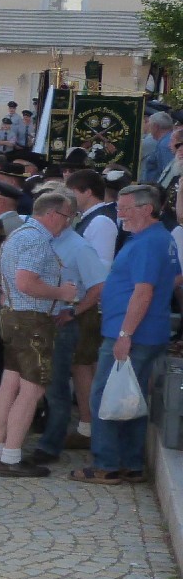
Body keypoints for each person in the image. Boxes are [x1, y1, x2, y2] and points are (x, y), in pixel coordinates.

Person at [72, 184, 179, 484]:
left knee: (104, 395)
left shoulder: (147, 242)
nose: (120, 214)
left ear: (146, 209)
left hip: (134, 334)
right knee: (132, 397)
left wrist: (125, 333)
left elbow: (143, 292)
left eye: (125, 208)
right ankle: (131, 464)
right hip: (148, 331)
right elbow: (172, 277)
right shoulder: (160, 238)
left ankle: (106, 465)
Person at [0, 191, 78, 477]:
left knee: (9, 384)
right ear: (52, 214)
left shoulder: (18, 234)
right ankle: (11, 457)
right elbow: (26, 282)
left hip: (12, 314)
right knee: (32, 389)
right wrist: (62, 293)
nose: (67, 222)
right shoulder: (37, 240)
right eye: (67, 217)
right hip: (32, 320)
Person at [33, 205, 107, 465]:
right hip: (44, 318)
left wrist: (74, 311)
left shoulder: (79, 246)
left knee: (61, 382)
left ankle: (57, 441)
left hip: (67, 319)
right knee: (42, 381)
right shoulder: (43, 240)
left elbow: (98, 286)